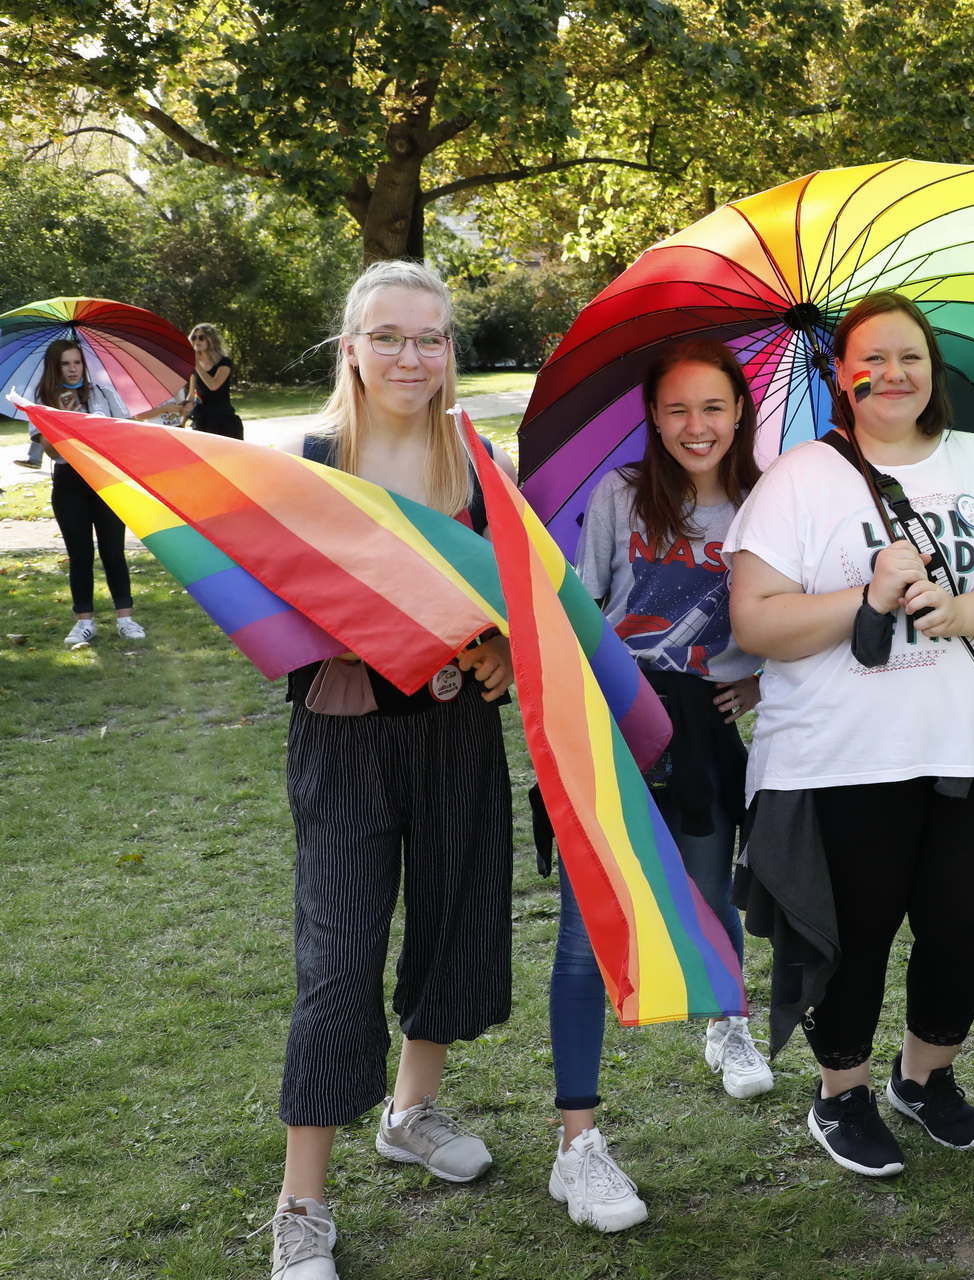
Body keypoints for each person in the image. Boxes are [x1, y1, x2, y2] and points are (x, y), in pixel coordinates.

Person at [726, 291, 974, 1178]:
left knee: (967, 922)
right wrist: (866, 599)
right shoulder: (799, 479)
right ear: (842, 376)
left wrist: (956, 612)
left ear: (932, 370)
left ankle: (926, 1079)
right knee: (858, 933)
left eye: (910, 355)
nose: (892, 373)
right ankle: (843, 1093)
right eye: (870, 358)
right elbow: (756, 622)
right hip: (843, 757)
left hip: (968, 747)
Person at [261, 260, 517, 1280]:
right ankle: (301, 1204)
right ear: (352, 348)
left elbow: (513, 599)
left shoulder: (476, 460)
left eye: (432, 336)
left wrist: (499, 646)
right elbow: (266, 613)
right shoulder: (308, 463)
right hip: (348, 737)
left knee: (458, 920)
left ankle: (410, 1111)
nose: (412, 356)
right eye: (391, 336)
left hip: (456, 735)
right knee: (339, 960)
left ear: (450, 349)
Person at [551, 337, 771, 1232]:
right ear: (653, 417)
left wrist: (758, 680)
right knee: (580, 935)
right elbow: (583, 604)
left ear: (739, 412)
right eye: (677, 409)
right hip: (615, 723)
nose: (696, 426)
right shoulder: (619, 496)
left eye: (713, 407)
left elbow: (776, 623)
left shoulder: (766, 505)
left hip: (707, 732)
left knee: (710, 895)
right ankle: (577, 1146)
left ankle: (726, 1018)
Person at [22, 340, 146, 645]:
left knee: (113, 551)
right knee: (80, 555)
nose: (73, 368)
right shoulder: (42, 400)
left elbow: (125, 435)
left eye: (77, 362)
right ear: (55, 367)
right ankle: (84, 622)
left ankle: (126, 619)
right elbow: (51, 453)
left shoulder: (103, 393)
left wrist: (90, 423)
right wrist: (61, 421)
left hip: (105, 482)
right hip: (68, 484)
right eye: (66, 363)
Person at [178, 323, 245, 439]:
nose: (197, 341)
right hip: (202, 420)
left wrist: (197, 364)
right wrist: (182, 421)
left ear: (210, 340)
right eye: (194, 337)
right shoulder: (194, 366)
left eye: (201, 337)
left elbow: (213, 385)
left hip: (223, 418)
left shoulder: (224, 363)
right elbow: (192, 395)